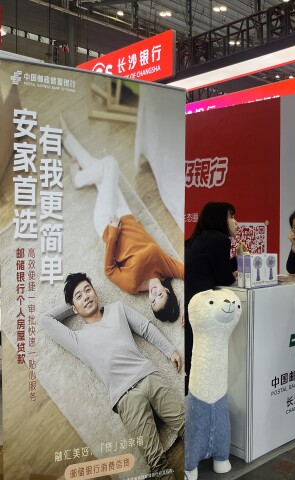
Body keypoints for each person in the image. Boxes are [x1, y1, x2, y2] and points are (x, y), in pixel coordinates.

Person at [41, 273, 184, 480]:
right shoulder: (76, 339)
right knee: (157, 464)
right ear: (74, 308)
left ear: (95, 292)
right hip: (125, 398)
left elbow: (145, 328)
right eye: (79, 296)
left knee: (188, 426)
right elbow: (45, 320)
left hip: (148, 376)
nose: (86, 296)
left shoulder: (118, 309)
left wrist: (170, 350)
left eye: (88, 290)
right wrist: (73, 303)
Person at [61, 117, 182, 323]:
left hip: (107, 223)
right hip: (126, 214)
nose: (153, 294)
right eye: (160, 295)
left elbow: (109, 270)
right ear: (168, 291)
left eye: (152, 301)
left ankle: (74, 161)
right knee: (103, 172)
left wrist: (113, 233)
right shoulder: (166, 269)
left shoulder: (133, 285)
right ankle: (75, 165)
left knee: (110, 164)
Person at [184, 202, 247, 392]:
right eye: (231, 216)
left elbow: (214, 267)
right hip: (206, 309)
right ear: (220, 219)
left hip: (191, 305)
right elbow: (224, 278)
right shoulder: (220, 239)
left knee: (193, 359)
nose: (236, 222)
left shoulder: (197, 238)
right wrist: (242, 260)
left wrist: (237, 259)